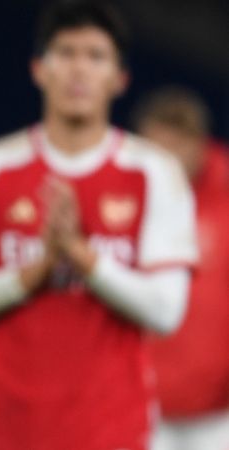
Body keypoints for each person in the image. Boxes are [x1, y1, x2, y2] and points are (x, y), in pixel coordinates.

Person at [0, 2, 197, 450]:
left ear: (120, 78)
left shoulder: (154, 173)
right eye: (65, 52)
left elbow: (166, 311)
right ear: (39, 69)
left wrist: (81, 255)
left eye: (95, 55)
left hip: (112, 429)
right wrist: (35, 271)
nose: (79, 69)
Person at [133, 87, 229, 450]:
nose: (163, 161)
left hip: (220, 415)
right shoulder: (122, 198)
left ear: (199, 144)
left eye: (174, 148)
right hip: (144, 406)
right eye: (154, 149)